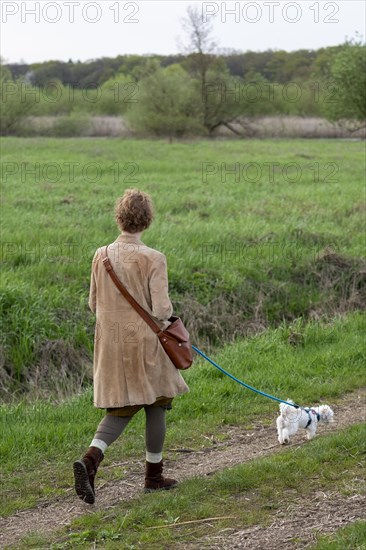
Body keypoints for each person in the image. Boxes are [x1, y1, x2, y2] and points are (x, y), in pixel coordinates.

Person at [73, 189, 189, 504]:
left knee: (122, 407)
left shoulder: (100, 255)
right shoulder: (154, 258)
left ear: (120, 217)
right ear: (147, 220)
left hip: (110, 343)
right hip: (145, 343)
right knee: (157, 401)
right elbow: (163, 310)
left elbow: (92, 303)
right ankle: (153, 476)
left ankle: (91, 459)